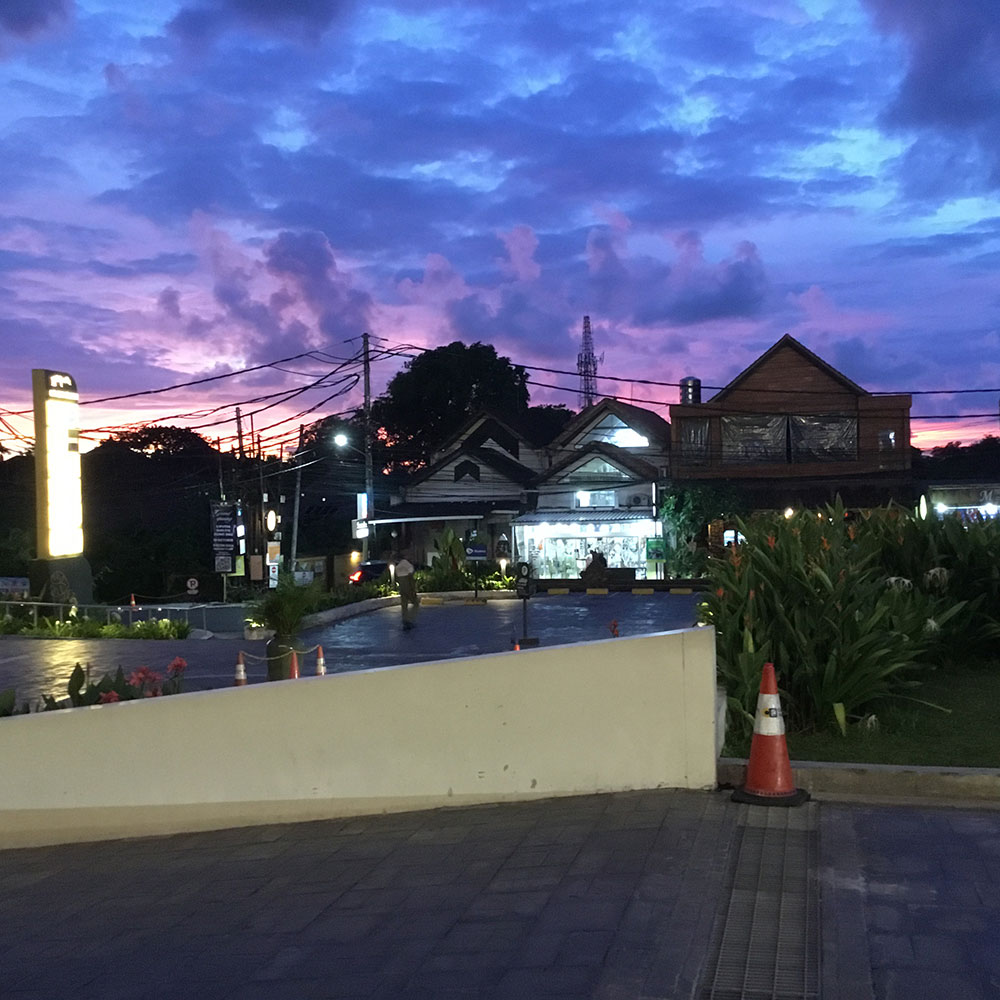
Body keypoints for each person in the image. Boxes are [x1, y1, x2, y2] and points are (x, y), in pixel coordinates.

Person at [395, 554, 419, 630]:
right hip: (407, 583)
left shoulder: (398, 566)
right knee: (415, 603)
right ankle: (409, 620)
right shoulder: (406, 563)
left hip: (401, 585)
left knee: (404, 604)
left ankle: (405, 619)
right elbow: (411, 571)